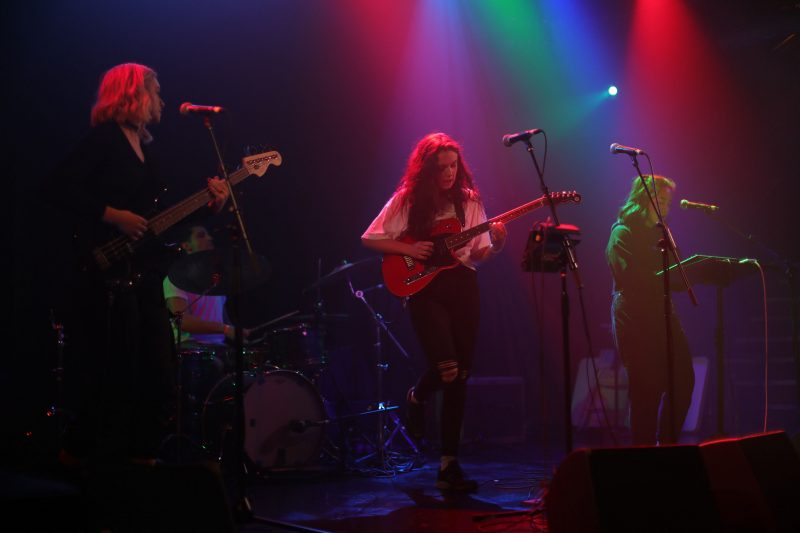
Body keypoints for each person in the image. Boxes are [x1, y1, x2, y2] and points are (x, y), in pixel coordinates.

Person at [43, 62, 229, 481]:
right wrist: (112, 215)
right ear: (134, 94)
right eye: (156, 91)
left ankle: (141, 473)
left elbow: (157, 223)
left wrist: (212, 206)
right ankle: (76, 470)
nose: (161, 100)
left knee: (160, 378)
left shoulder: (147, 151)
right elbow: (55, 186)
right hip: (106, 277)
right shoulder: (106, 140)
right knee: (114, 379)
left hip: (141, 275)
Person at [361, 132, 507, 492]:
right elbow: (370, 238)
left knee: (460, 374)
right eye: (441, 167)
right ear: (427, 170)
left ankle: (448, 463)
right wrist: (411, 247)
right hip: (425, 290)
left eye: (454, 165)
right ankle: (418, 397)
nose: (449, 173)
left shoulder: (469, 201)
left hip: (463, 287)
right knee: (447, 367)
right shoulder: (408, 200)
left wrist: (497, 245)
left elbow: (477, 254)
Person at [606, 174, 695, 446]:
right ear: (644, 200)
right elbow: (629, 276)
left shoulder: (661, 232)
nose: (666, 208)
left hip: (664, 314)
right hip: (634, 316)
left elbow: (675, 274)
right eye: (661, 200)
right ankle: (643, 453)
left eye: (667, 202)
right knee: (646, 389)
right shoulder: (622, 232)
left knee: (683, 380)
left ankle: (666, 445)